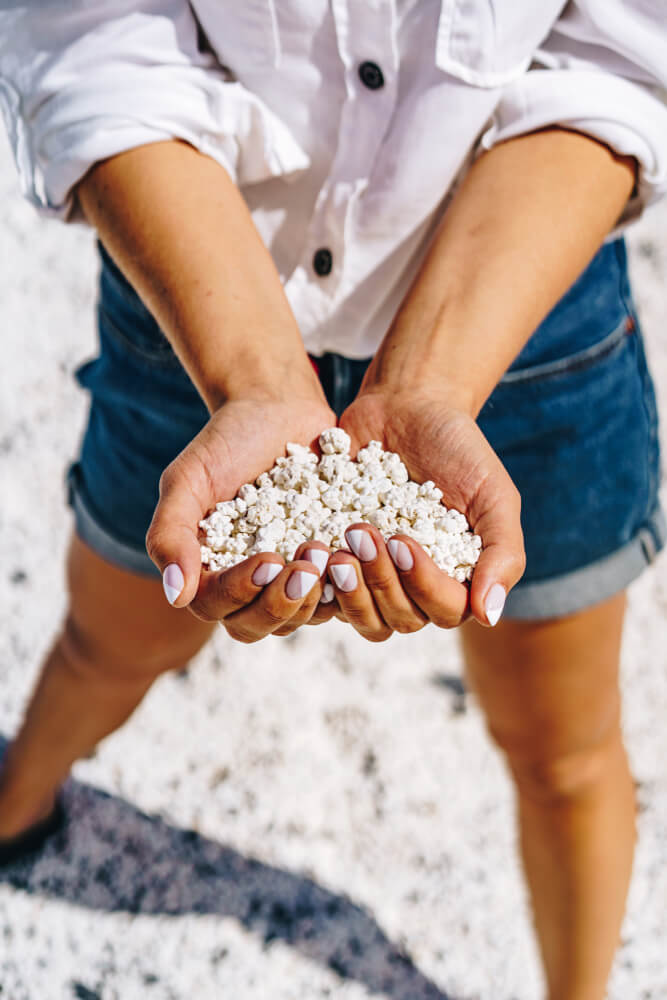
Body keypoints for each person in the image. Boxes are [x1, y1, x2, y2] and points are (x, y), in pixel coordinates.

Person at [0, 2, 665, 997]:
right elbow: (94, 42)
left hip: (524, 304)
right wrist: (256, 379)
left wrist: (434, 384)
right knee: (113, 636)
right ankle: (17, 805)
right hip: (197, 294)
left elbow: (619, 54)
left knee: (562, 747)